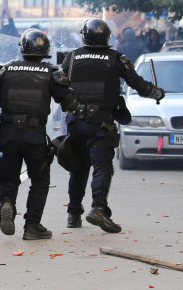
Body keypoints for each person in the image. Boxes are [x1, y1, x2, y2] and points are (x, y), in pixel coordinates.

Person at [62, 18, 164, 233]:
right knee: (102, 166)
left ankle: (73, 214)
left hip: (76, 122)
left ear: (84, 35)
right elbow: (138, 85)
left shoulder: (72, 58)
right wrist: (157, 92)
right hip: (100, 123)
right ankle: (98, 208)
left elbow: (60, 85)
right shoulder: (115, 58)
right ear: (107, 36)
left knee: (78, 168)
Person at [0, 30, 80, 241]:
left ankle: (7, 204)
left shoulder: (6, 70)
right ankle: (32, 226)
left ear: (23, 49)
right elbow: (70, 103)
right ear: (45, 52)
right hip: (34, 135)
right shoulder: (50, 73)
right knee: (39, 180)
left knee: (9, 177)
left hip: (8, 133)